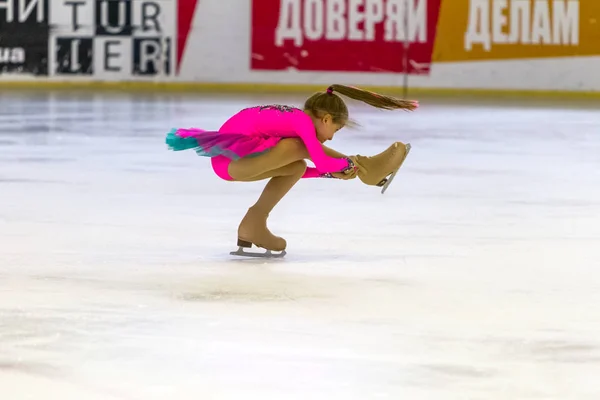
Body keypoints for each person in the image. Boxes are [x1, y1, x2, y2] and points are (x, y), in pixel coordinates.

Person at [166, 84, 418, 256]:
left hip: (234, 161)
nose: (331, 138)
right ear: (327, 119)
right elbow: (319, 160)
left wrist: (333, 171)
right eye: (336, 130)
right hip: (231, 161)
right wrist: (343, 167)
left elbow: (304, 168)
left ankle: (253, 225)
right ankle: (366, 168)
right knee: (298, 148)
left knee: (296, 165)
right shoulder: (301, 124)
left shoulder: (296, 121)